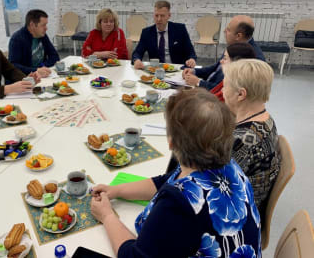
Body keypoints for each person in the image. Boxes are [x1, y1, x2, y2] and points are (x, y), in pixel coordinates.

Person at [90, 88, 261, 258]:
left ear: (171, 143)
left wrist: (107, 216)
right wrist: (116, 190)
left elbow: (134, 256)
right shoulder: (226, 164)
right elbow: (166, 180)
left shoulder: (178, 204)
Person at [223, 59, 281, 213]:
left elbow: (211, 184)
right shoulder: (266, 120)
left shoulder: (242, 141)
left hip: (237, 215)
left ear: (241, 94)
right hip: (249, 203)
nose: (222, 91)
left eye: (224, 86)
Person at [183, 15, 265, 90]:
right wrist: (194, 71)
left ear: (238, 36)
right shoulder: (234, 46)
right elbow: (215, 68)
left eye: (228, 30)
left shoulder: (254, 60)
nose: (224, 31)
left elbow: (228, 91)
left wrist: (199, 83)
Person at [132, 0, 197, 69]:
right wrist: (137, 60)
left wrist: (191, 59)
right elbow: (137, 53)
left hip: (176, 69)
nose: (159, 19)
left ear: (169, 16)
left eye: (162, 16)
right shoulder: (147, 32)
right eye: (156, 15)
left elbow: (191, 52)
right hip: (156, 70)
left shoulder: (180, 29)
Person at [8, 9, 60, 77]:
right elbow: (13, 65)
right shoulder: (17, 39)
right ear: (32, 25)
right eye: (43, 25)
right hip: (25, 78)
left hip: (41, 76)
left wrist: (41, 66)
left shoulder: (42, 35)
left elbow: (55, 56)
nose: (46, 28)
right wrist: (35, 70)